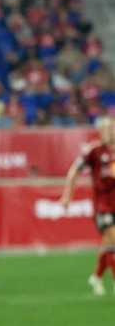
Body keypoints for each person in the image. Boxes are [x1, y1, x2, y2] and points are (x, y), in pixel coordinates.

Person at [60, 116, 115, 295]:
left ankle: (96, 276)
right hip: (103, 206)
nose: (111, 132)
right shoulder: (94, 151)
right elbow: (74, 170)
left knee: (108, 244)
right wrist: (67, 195)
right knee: (112, 239)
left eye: (113, 128)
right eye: (107, 129)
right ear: (101, 132)